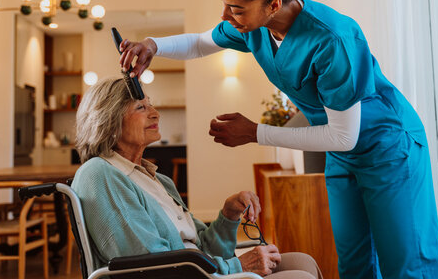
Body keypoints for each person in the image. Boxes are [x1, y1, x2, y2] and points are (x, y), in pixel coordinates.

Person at [118, 0, 438, 278]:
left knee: (406, 265)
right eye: (224, 3)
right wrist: (152, 45)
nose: (226, 16)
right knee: (355, 264)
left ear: (273, 3)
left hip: (386, 147)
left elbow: (344, 135)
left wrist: (255, 132)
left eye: (236, 9)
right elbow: (200, 42)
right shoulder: (254, 27)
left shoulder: (332, 40)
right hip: (343, 154)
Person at [71, 77, 323, 279]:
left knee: (304, 261)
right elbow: (148, 266)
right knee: (301, 275)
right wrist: (238, 267)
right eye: (141, 107)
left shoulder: (157, 179)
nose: (155, 113)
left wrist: (228, 215)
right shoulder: (100, 174)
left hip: (197, 270)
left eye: (151, 104)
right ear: (109, 121)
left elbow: (203, 247)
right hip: (181, 275)